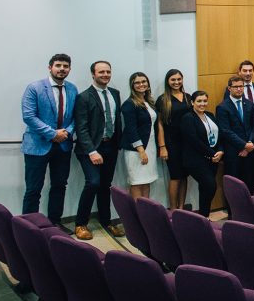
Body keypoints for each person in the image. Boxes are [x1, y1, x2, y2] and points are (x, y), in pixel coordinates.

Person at [21, 53, 78, 225]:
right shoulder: (34, 88)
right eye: (58, 65)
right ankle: (28, 227)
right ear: (50, 67)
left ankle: (55, 223)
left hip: (63, 146)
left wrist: (66, 133)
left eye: (65, 66)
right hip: (37, 146)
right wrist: (53, 134)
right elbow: (29, 116)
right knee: (33, 189)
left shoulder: (72, 89)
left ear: (69, 69)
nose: (62, 69)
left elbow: (76, 116)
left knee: (60, 186)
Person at [73, 60, 123, 240]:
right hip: (90, 148)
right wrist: (92, 151)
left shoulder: (115, 94)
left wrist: (117, 144)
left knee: (105, 185)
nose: (105, 75)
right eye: (101, 72)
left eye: (108, 72)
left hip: (111, 146)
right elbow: (81, 127)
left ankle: (106, 221)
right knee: (93, 182)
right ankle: (80, 224)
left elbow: (116, 121)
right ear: (93, 74)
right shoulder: (84, 97)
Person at [179, 91, 224, 217]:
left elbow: (219, 135)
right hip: (195, 160)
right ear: (192, 102)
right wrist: (212, 154)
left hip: (212, 159)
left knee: (205, 188)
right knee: (210, 185)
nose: (202, 104)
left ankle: (204, 217)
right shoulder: (188, 118)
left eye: (205, 101)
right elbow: (193, 140)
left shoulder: (210, 115)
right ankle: (203, 216)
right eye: (199, 101)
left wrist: (220, 150)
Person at [216, 76, 254, 192]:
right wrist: (243, 145)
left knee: (250, 183)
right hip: (233, 152)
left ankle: (249, 209)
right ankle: (233, 211)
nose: (239, 89)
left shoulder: (249, 104)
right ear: (229, 88)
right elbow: (226, 131)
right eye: (236, 87)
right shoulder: (222, 107)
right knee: (234, 186)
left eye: (241, 86)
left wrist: (249, 144)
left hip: (250, 151)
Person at [156, 69, 192, 210]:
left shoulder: (188, 97)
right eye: (173, 80)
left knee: (184, 176)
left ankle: (182, 208)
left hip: (187, 143)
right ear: (168, 81)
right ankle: (173, 210)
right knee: (175, 176)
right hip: (171, 143)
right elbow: (159, 124)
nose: (176, 82)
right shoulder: (163, 99)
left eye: (179, 79)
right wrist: (162, 146)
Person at [121, 72, 159, 199]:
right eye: (137, 82)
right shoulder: (129, 104)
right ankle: (137, 216)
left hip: (150, 146)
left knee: (146, 181)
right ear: (132, 85)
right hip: (136, 150)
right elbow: (131, 129)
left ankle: (146, 214)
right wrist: (141, 150)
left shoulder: (148, 101)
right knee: (137, 182)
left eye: (143, 81)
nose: (141, 84)